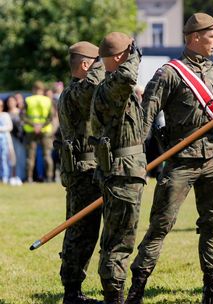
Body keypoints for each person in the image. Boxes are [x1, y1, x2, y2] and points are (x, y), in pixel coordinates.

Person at [126, 13, 213, 304]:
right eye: (212, 36)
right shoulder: (169, 73)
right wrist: (137, 158)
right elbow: (146, 118)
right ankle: (135, 292)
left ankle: (212, 291)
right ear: (195, 37)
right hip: (180, 161)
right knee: (160, 225)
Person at [90, 32, 146, 303]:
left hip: (128, 171)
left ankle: (115, 293)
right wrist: (134, 57)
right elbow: (127, 77)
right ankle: (114, 296)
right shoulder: (112, 85)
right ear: (118, 57)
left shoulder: (113, 87)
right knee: (118, 238)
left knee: (123, 234)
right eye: (129, 53)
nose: (134, 58)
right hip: (121, 173)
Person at [57, 41, 105, 304]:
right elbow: (95, 83)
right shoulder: (77, 92)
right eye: (98, 62)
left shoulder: (75, 91)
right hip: (82, 170)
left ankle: (74, 289)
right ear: (86, 65)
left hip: (85, 168)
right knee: (80, 231)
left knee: (85, 230)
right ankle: (72, 292)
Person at [21, 81, 55, 182]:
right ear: (42, 90)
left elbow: (22, 115)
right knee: (47, 155)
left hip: (31, 130)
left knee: (30, 156)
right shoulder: (48, 101)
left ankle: (29, 178)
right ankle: (49, 177)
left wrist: (34, 125)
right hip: (45, 130)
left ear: (33, 89)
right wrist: (41, 126)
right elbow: (51, 117)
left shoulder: (28, 100)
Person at [5, 95, 25, 184]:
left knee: (20, 157)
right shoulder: (5, 113)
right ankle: (10, 176)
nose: (11, 103)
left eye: (12, 101)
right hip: (8, 138)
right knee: (9, 158)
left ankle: (20, 176)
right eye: (9, 102)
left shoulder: (21, 113)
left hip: (19, 138)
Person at [0, 99, 13, 184]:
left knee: (4, 158)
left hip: (4, 140)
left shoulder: (5, 115)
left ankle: (5, 176)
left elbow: (10, 127)